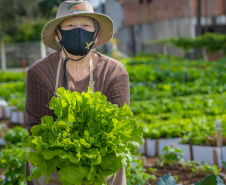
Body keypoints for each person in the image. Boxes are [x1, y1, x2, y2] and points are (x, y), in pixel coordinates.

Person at [25, 0, 130, 185]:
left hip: (100, 164)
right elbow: (37, 130)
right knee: (37, 153)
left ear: (96, 34)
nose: (78, 31)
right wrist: (67, 156)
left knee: (115, 156)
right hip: (55, 163)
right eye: (71, 25)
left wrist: (92, 155)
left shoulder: (114, 71)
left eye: (85, 25)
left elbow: (121, 127)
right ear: (58, 35)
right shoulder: (39, 72)